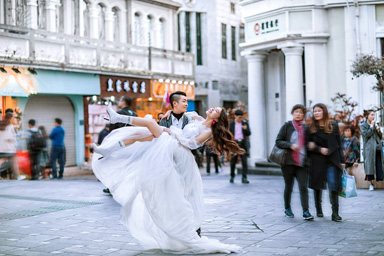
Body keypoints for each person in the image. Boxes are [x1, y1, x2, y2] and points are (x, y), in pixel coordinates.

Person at [92, 104, 243, 254]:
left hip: (181, 151)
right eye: (214, 107)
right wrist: (170, 111)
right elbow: (184, 114)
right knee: (143, 135)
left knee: (151, 124)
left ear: (218, 118)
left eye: (216, 110)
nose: (212, 109)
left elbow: (192, 144)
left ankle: (117, 118)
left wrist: (172, 133)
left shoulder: (208, 130)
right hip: (174, 144)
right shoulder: (197, 118)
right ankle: (107, 149)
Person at [307, 103, 345, 222]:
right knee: (317, 186)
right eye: (315, 111)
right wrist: (319, 149)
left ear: (324, 112)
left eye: (319, 111)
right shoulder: (311, 127)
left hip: (331, 160)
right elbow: (308, 146)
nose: (316, 113)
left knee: (333, 185)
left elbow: (339, 144)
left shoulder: (332, 125)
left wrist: (342, 160)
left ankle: (335, 213)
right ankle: (319, 209)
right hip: (317, 160)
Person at [275, 104, 314, 220]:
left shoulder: (306, 128)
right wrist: (290, 145)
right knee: (289, 186)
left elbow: (308, 143)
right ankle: (287, 208)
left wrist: (311, 145)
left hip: (302, 162)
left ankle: (306, 211)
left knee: (303, 187)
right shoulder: (287, 126)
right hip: (288, 161)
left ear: (303, 115)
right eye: (296, 112)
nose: (298, 114)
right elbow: (278, 141)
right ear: (293, 113)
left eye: (300, 112)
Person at [103, 96, 137, 194]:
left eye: (120, 100)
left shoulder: (119, 113)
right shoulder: (134, 114)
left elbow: (112, 130)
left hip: (119, 144)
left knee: (115, 166)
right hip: (131, 143)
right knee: (128, 166)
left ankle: (112, 187)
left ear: (123, 102)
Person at [360, 110, 384, 191]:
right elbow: (366, 135)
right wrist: (371, 126)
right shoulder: (363, 125)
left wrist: (378, 130)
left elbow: (380, 137)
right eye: (371, 115)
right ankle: (371, 184)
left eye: (374, 115)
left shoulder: (376, 124)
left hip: (377, 148)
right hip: (369, 149)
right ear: (367, 116)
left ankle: (380, 180)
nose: (373, 117)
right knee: (369, 166)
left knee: (379, 164)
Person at [0, 110, 26, 180]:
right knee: (13, 161)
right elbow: (10, 137)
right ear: (11, 118)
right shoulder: (9, 126)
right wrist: (15, 140)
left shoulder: (2, 125)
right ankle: (18, 176)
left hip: (2, 148)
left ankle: (18, 176)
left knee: (9, 161)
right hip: (9, 148)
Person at [229, 109, 251, 184]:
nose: (240, 119)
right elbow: (228, 134)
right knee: (233, 162)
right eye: (239, 117)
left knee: (244, 162)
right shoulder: (231, 124)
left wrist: (245, 129)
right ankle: (232, 176)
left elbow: (249, 133)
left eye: (241, 117)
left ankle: (244, 177)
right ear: (235, 116)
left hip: (242, 144)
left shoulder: (244, 124)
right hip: (234, 144)